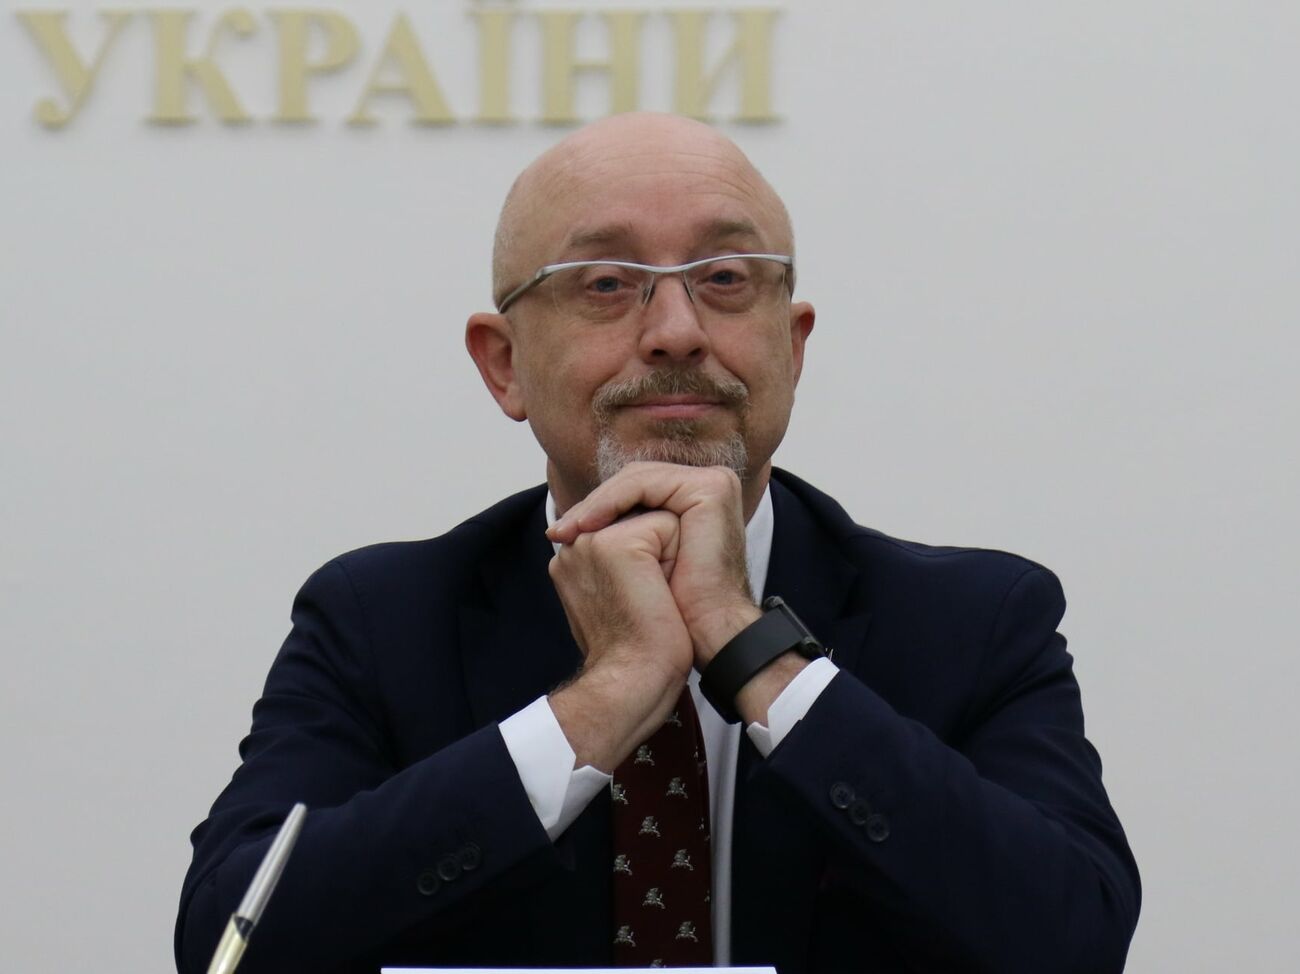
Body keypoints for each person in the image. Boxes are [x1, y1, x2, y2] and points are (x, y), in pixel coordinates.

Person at [176, 113, 1140, 974]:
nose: (677, 331)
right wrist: (603, 698)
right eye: (606, 284)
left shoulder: (975, 621)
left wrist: (751, 648)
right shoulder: (383, 621)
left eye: (725, 279)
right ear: (504, 365)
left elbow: (1074, 941)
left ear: (793, 346)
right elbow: (231, 944)